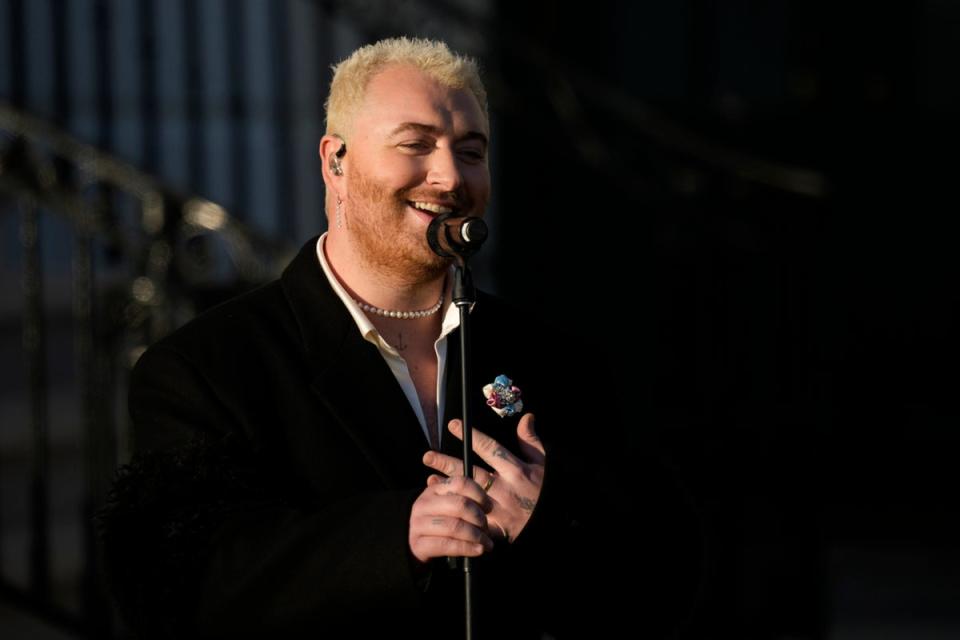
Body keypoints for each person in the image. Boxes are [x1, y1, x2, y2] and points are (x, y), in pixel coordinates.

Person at [99, 37, 701, 639]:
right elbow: (181, 588)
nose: (448, 176)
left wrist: (549, 522)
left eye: (471, 150)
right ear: (336, 162)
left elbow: (663, 576)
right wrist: (398, 537)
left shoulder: (557, 360)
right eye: (415, 144)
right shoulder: (206, 367)